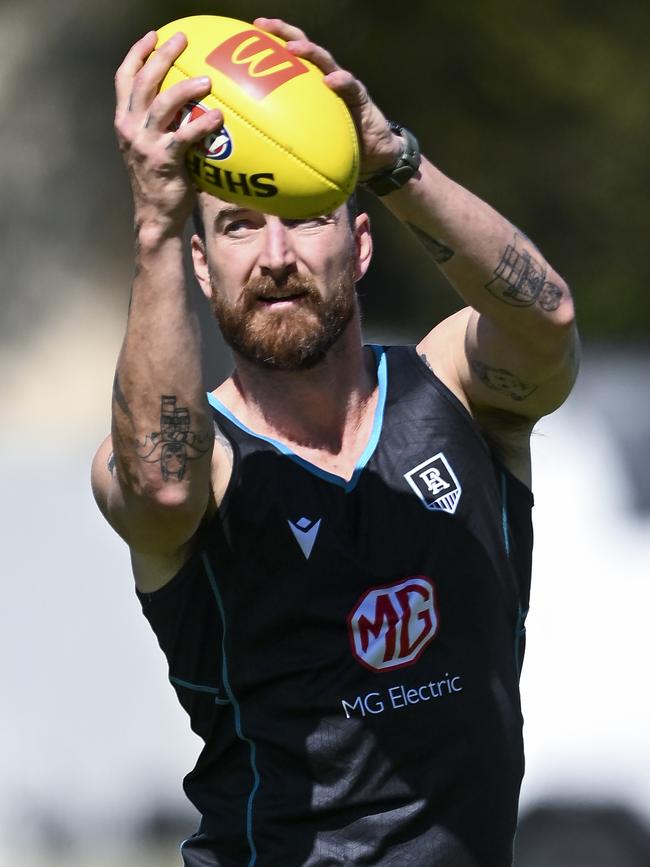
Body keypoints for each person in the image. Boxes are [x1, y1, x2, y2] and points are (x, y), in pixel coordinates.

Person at [91, 17, 579, 867]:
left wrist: (392, 161)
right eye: (239, 227)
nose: (276, 254)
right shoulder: (200, 463)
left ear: (357, 246)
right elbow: (161, 487)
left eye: (305, 215)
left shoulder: (456, 392)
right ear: (203, 271)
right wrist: (156, 229)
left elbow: (547, 322)